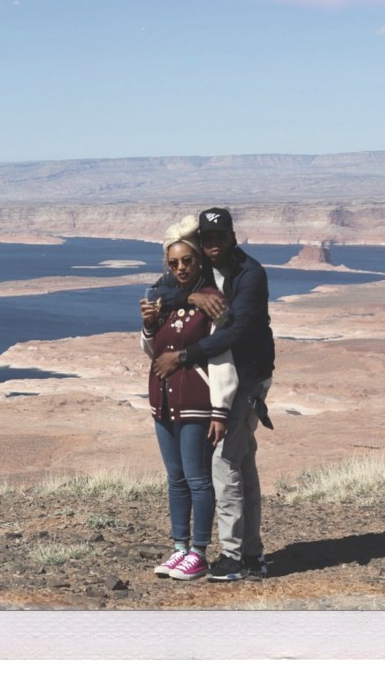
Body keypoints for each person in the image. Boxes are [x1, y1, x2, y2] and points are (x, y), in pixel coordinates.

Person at [150, 208, 275, 582]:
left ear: (233, 237)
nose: (214, 245)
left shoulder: (250, 274)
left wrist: (184, 356)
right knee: (241, 466)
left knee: (223, 464)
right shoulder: (201, 265)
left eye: (220, 238)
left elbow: (236, 332)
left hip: (247, 377)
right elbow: (160, 291)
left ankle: (234, 558)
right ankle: (252, 557)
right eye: (208, 239)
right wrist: (191, 300)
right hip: (225, 373)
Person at [140, 215, 238, 581]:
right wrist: (149, 325)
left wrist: (220, 411)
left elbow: (222, 357)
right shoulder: (162, 297)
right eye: (174, 262)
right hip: (163, 400)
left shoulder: (212, 301)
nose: (181, 268)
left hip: (197, 401)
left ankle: (198, 552)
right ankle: (179, 547)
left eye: (187, 261)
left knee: (198, 479)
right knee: (175, 478)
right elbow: (152, 350)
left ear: (199, 260)